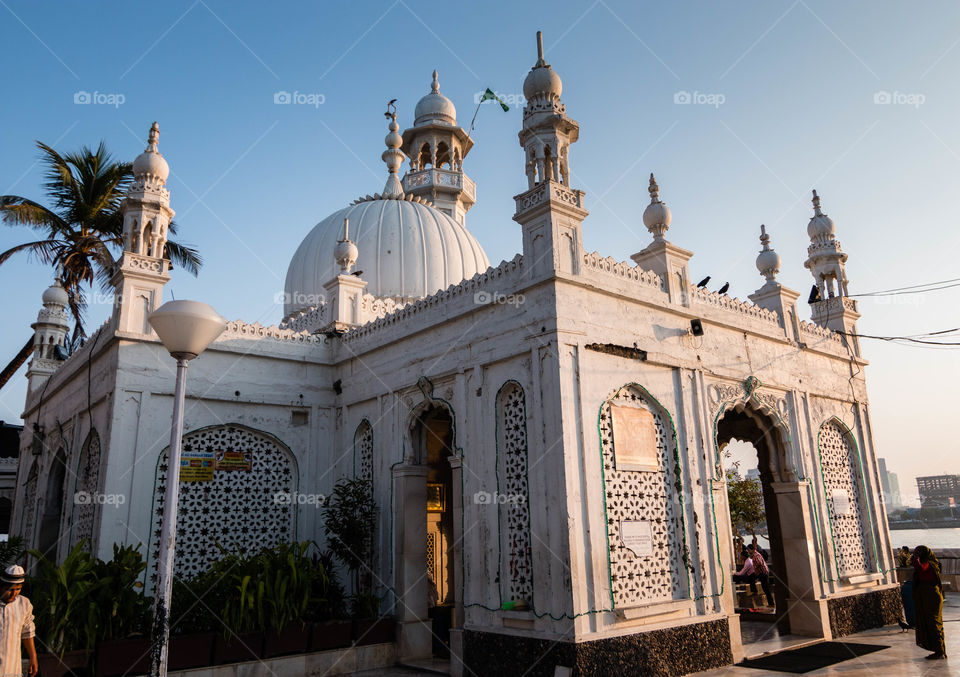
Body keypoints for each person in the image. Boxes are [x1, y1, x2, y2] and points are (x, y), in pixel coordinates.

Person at [0, 564, 37, 677]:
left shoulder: (24, 604)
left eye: (18, 589)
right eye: (10, 589)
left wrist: (33, 657)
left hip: (11, 664)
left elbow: (27, 632)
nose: (14, 593)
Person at [911, 545, 947, 660]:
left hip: (932, 597)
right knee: (930, 622)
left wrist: (916, 559)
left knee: (934, 623)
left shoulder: (930, 564)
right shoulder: (928, 563)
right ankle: (939, 650)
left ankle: (940, 651)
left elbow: (921, 568)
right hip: (926, 596)